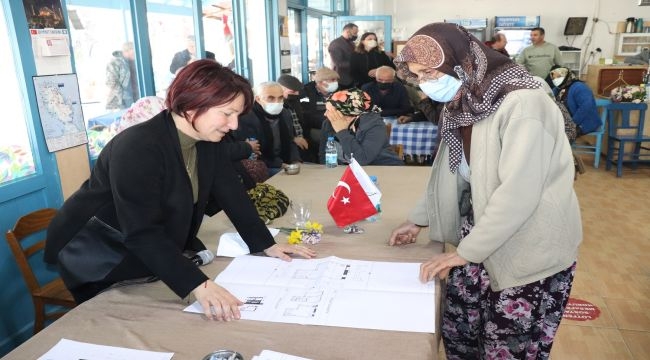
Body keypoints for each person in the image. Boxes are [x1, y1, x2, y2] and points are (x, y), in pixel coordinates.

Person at [44, 60, 315, 319]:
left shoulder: (208, 139)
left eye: (237, 115)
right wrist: (198, 285)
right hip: (99, 252)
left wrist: (265, 244)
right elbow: (141, 232)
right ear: (192, 105)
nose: (234, 125)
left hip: (145, 248)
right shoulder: (138, 147)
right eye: (227, 113)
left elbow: (232, 194)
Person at [390, 23, 581, 359]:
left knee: (506, 348)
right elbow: (450, 172)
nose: (425, 84)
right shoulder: (464, 102)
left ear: (460, 63)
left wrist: (466, 252)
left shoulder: (523, 104)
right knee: (460, 335)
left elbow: (519, 193)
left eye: (430, 73)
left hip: (529, 247)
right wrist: (418, 220)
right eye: (418, 76)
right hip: (482, 237)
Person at [319, 88, 403, 166]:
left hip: (384, 169)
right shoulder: (328, 123)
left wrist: (342, 131)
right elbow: (324, 154)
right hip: (347, 171)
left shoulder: (375, 125)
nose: (325, 114)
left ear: (349, 114)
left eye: (330, 111)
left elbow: (362, 159)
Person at [234, 82, 301, 175]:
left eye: (280, 98)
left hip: (286, 162)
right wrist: (280, 165)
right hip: (263, 165)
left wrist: (295, 160)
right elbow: (254, 152)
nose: (277, 102)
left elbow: (290, 140)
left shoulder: (285, 113)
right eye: (271, 98)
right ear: (258, 99)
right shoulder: (247, 118)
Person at [550, 66, 602, 137]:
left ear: (567, 76)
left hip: (584, 123)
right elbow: (550, 99)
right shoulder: (558, 89)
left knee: (561, 137)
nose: (555, 80)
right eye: (554, 78)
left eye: (559, 77)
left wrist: (572, 123)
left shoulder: (579, 87)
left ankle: (563, 147)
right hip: (566, 122)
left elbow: (585, 107)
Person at [302, 67, 340, 161]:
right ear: (320, 82)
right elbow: (307, 116)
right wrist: (329, 119)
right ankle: (325, 159)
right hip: (315, 127)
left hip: (336, 124)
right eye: (332, 80)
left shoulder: (337, 92)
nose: (335, 83)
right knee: (331, 137)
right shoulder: (306, 92)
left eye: (336, 80)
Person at [277, 74, 316, 163]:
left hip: (302, 141)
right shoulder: (277, 107)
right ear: (280, 89)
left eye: (298, 91)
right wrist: (293, 139)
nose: (297, 94)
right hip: (288, 146)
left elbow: (301, 122)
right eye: (292, 92)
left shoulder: (294, 102)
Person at [105, 41, 138, 110]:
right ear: (126, 51)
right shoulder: (114, 63)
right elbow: (111, 82)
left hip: (135, 99)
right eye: (133, 51)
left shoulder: (136, 62)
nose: (135, 54)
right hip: (120, 102)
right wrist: (122, 96)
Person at [328, 23, 358, 89]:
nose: (356, 35)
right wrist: (356, 64)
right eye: (355, 33)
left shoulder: (351, 42)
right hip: (342, 79)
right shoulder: (336, 44)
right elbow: (338, 63)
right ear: (347, 31)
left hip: (352, 78)